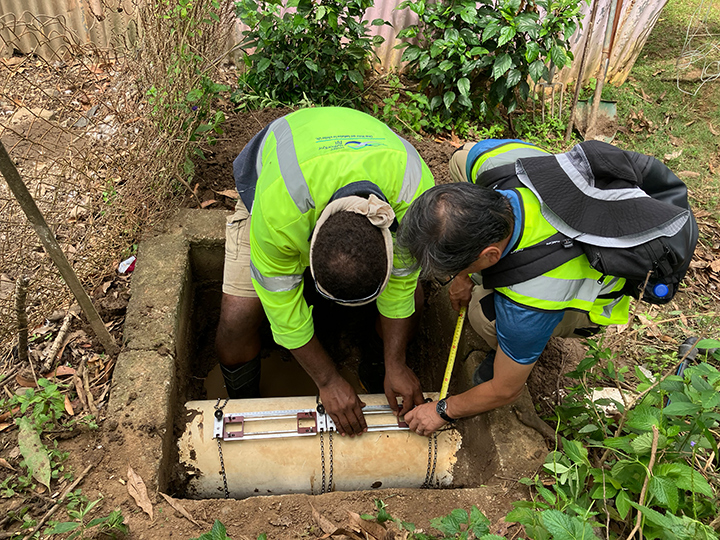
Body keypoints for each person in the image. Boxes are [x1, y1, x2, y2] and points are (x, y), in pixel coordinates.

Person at [397, 139, 695, 436]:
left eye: (455, 269)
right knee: (457, 161)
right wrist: (462, 275)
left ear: (490, 255)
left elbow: (505, 390)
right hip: (600, 212)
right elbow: (460, 170)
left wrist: (441, 410)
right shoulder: (492, 161)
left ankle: (513, 353)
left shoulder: (532, 299)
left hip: (596, 299)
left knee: (483, 314)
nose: (451, 276)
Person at [216, 107, 435, 437]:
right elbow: (284, 312)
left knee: (415, 299)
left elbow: (401, 288)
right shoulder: (278, 216)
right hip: (272, 180)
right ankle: (242, 403)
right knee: (236, 322)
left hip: (365, 157)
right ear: (308, 250)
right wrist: (328, 381)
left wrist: (397, 363)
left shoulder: (415, 201)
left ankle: (379, 370)